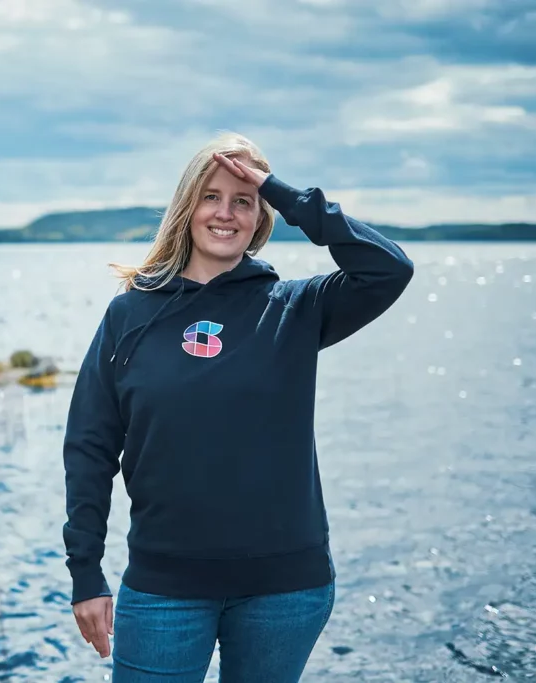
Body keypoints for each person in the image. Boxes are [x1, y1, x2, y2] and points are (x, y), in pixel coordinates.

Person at [61, 131, 414, 682]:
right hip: (164, 590)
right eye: (210, 196)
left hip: (285, 591)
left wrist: (285, 192)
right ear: (186, 208)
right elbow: (89, 447)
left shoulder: (295, 310)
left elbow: (389, 269)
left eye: (243, 199)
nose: (225, 213)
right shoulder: (129, 317)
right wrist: (86, 573)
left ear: (261, 216)